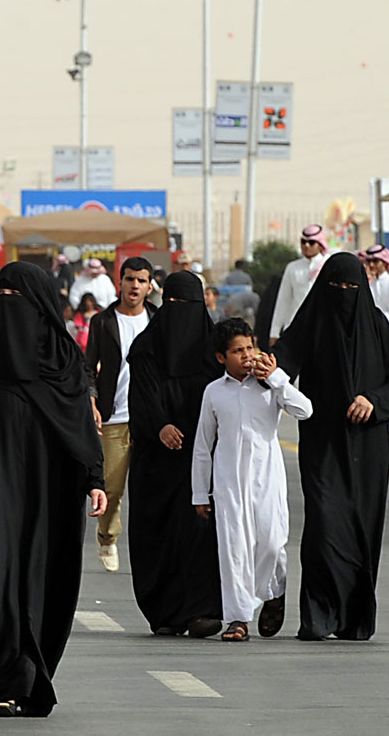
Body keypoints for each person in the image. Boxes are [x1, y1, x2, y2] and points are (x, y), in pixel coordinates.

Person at [0, 263, 107, 718]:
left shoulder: (67, 363)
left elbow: (82, 427)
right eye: (2, 295)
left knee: (40, 585)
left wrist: (95, 478)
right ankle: (5, 679)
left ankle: (24, 676)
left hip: (52, 497)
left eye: (19, 297)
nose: (9, 306)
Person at [271, 253, 389, 640]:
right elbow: (282, 363)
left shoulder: (378, 325)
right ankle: (319, 616)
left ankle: (353, 618)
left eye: (352, 288)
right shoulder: (311, 322)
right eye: (337, 288)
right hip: (323, 441)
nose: (345, 295)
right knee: (323, 522)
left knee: (363, 527)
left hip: (368, 447)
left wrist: (374, 401)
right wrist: (264, 373)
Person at [192, 317, 312, 642]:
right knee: (234, 550)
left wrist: (277, 379)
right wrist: (200, 493)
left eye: (250, 347)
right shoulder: (214, 392)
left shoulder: (270, 385)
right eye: (237, 351)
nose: (246, 356)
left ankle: (273, 591)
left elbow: (305, 410)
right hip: (228, 480)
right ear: (221, 357)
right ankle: (238, 619)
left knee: (272, 542)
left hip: (267, 478)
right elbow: (203, 446)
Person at [126, 271, 223, 637]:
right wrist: (160, 425)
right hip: (157, 460)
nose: (178, 313)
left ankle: (202, 610)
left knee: (200, 533)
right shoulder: (147, 348)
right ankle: (163, 611)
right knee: (157, 533)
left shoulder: (214, 351)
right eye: (172, 305)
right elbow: (142, 395)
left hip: (202, 460)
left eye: (187, 306)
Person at [82, 257, 154, 574]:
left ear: (150, 286)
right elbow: (89, 368)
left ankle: (148, 547)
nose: (134, 285)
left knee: (147, 488)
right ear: (119, 283)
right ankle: (107, 537)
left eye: (141, 280)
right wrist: (93, 400)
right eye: (129, 279)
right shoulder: (103, 321)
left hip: (148, 418)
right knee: (112, 487)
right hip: (113, 416)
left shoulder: (157, 320)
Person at [268, 224, 329, 345]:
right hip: (295, 327)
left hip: (322, 328)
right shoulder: (292, 268)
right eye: (303, 242)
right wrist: (274, 332)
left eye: (311, 242)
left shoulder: (328, 264)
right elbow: (283, 300)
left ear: (320, 245)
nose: (306, 246)